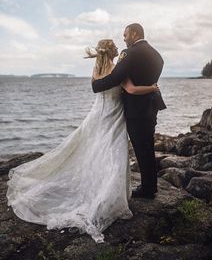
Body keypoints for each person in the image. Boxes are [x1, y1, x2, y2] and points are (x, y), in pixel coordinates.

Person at [6, 39, 158, 244]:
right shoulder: (118, 71)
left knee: (93, 150)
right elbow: (131, 90)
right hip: (114, 116)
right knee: (112, 153)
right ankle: (109, 193)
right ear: (114, 53)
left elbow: (98, 87)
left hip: (98, 116)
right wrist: (152, 87)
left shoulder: (97, 70)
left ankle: (101, 188)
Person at [92, 24, 166, 199]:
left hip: (136, 110)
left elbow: (116, 77)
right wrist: (151, 87)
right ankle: (151, 186)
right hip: (151, 106)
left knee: (141, 149)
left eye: (125, 35)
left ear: (134, 34)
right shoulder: (157, 55)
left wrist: (96, 85)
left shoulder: (129, 53)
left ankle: (147, 189)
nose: (124, 38)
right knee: (148, 147)